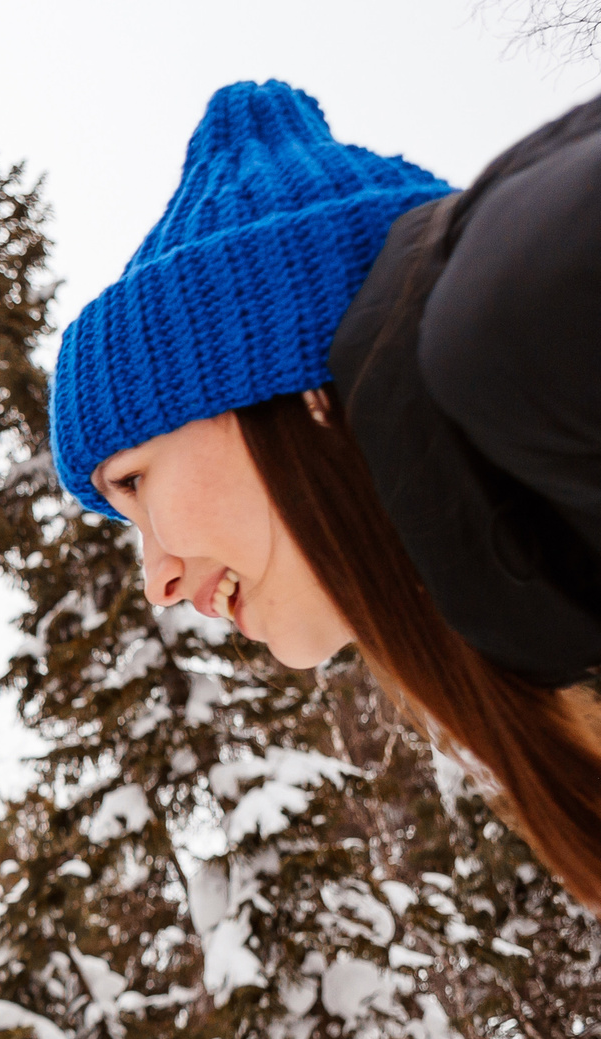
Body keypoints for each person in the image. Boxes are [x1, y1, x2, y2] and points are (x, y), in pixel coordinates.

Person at [51, 81, 601, 908]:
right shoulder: (526, 580)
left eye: (133, 482)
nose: (157, 580)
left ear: (285, 383)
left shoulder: (512, 321)